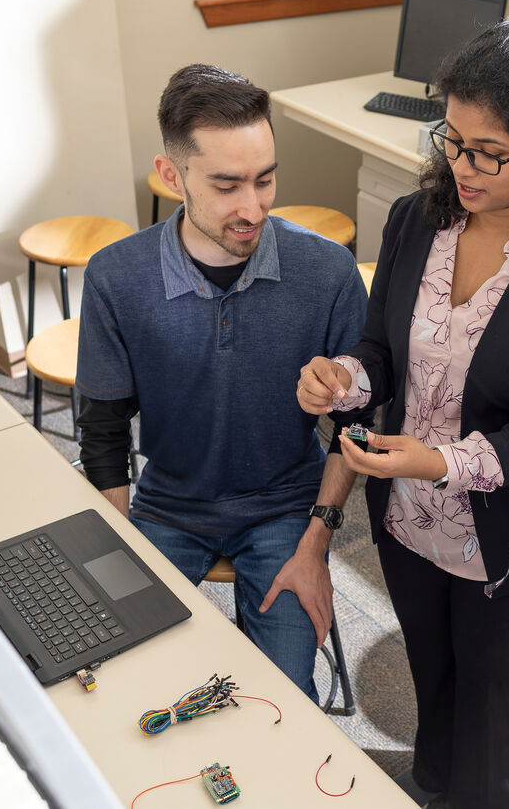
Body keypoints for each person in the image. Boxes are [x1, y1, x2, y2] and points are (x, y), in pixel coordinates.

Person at [296, 19, 509, 809]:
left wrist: (435, 460)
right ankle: (434, 784)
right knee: (430, 666)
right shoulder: (421, 220)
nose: (462, 166)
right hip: (408, 513)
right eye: (453, 140)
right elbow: (382, 351)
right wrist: (342, 378)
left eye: (491, 152)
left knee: (495, 689)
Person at [76, 64, 367, 702]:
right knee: (128, 684)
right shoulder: (115, 278)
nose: (252, 206)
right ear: (171, 175)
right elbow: (101, 432)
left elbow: (356, 429)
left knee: (286, 699)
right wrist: (121, 550)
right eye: (227, 184)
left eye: (265, 180)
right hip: (165, 508)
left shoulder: (327, 271)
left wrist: (317, 544)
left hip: (289, 509)